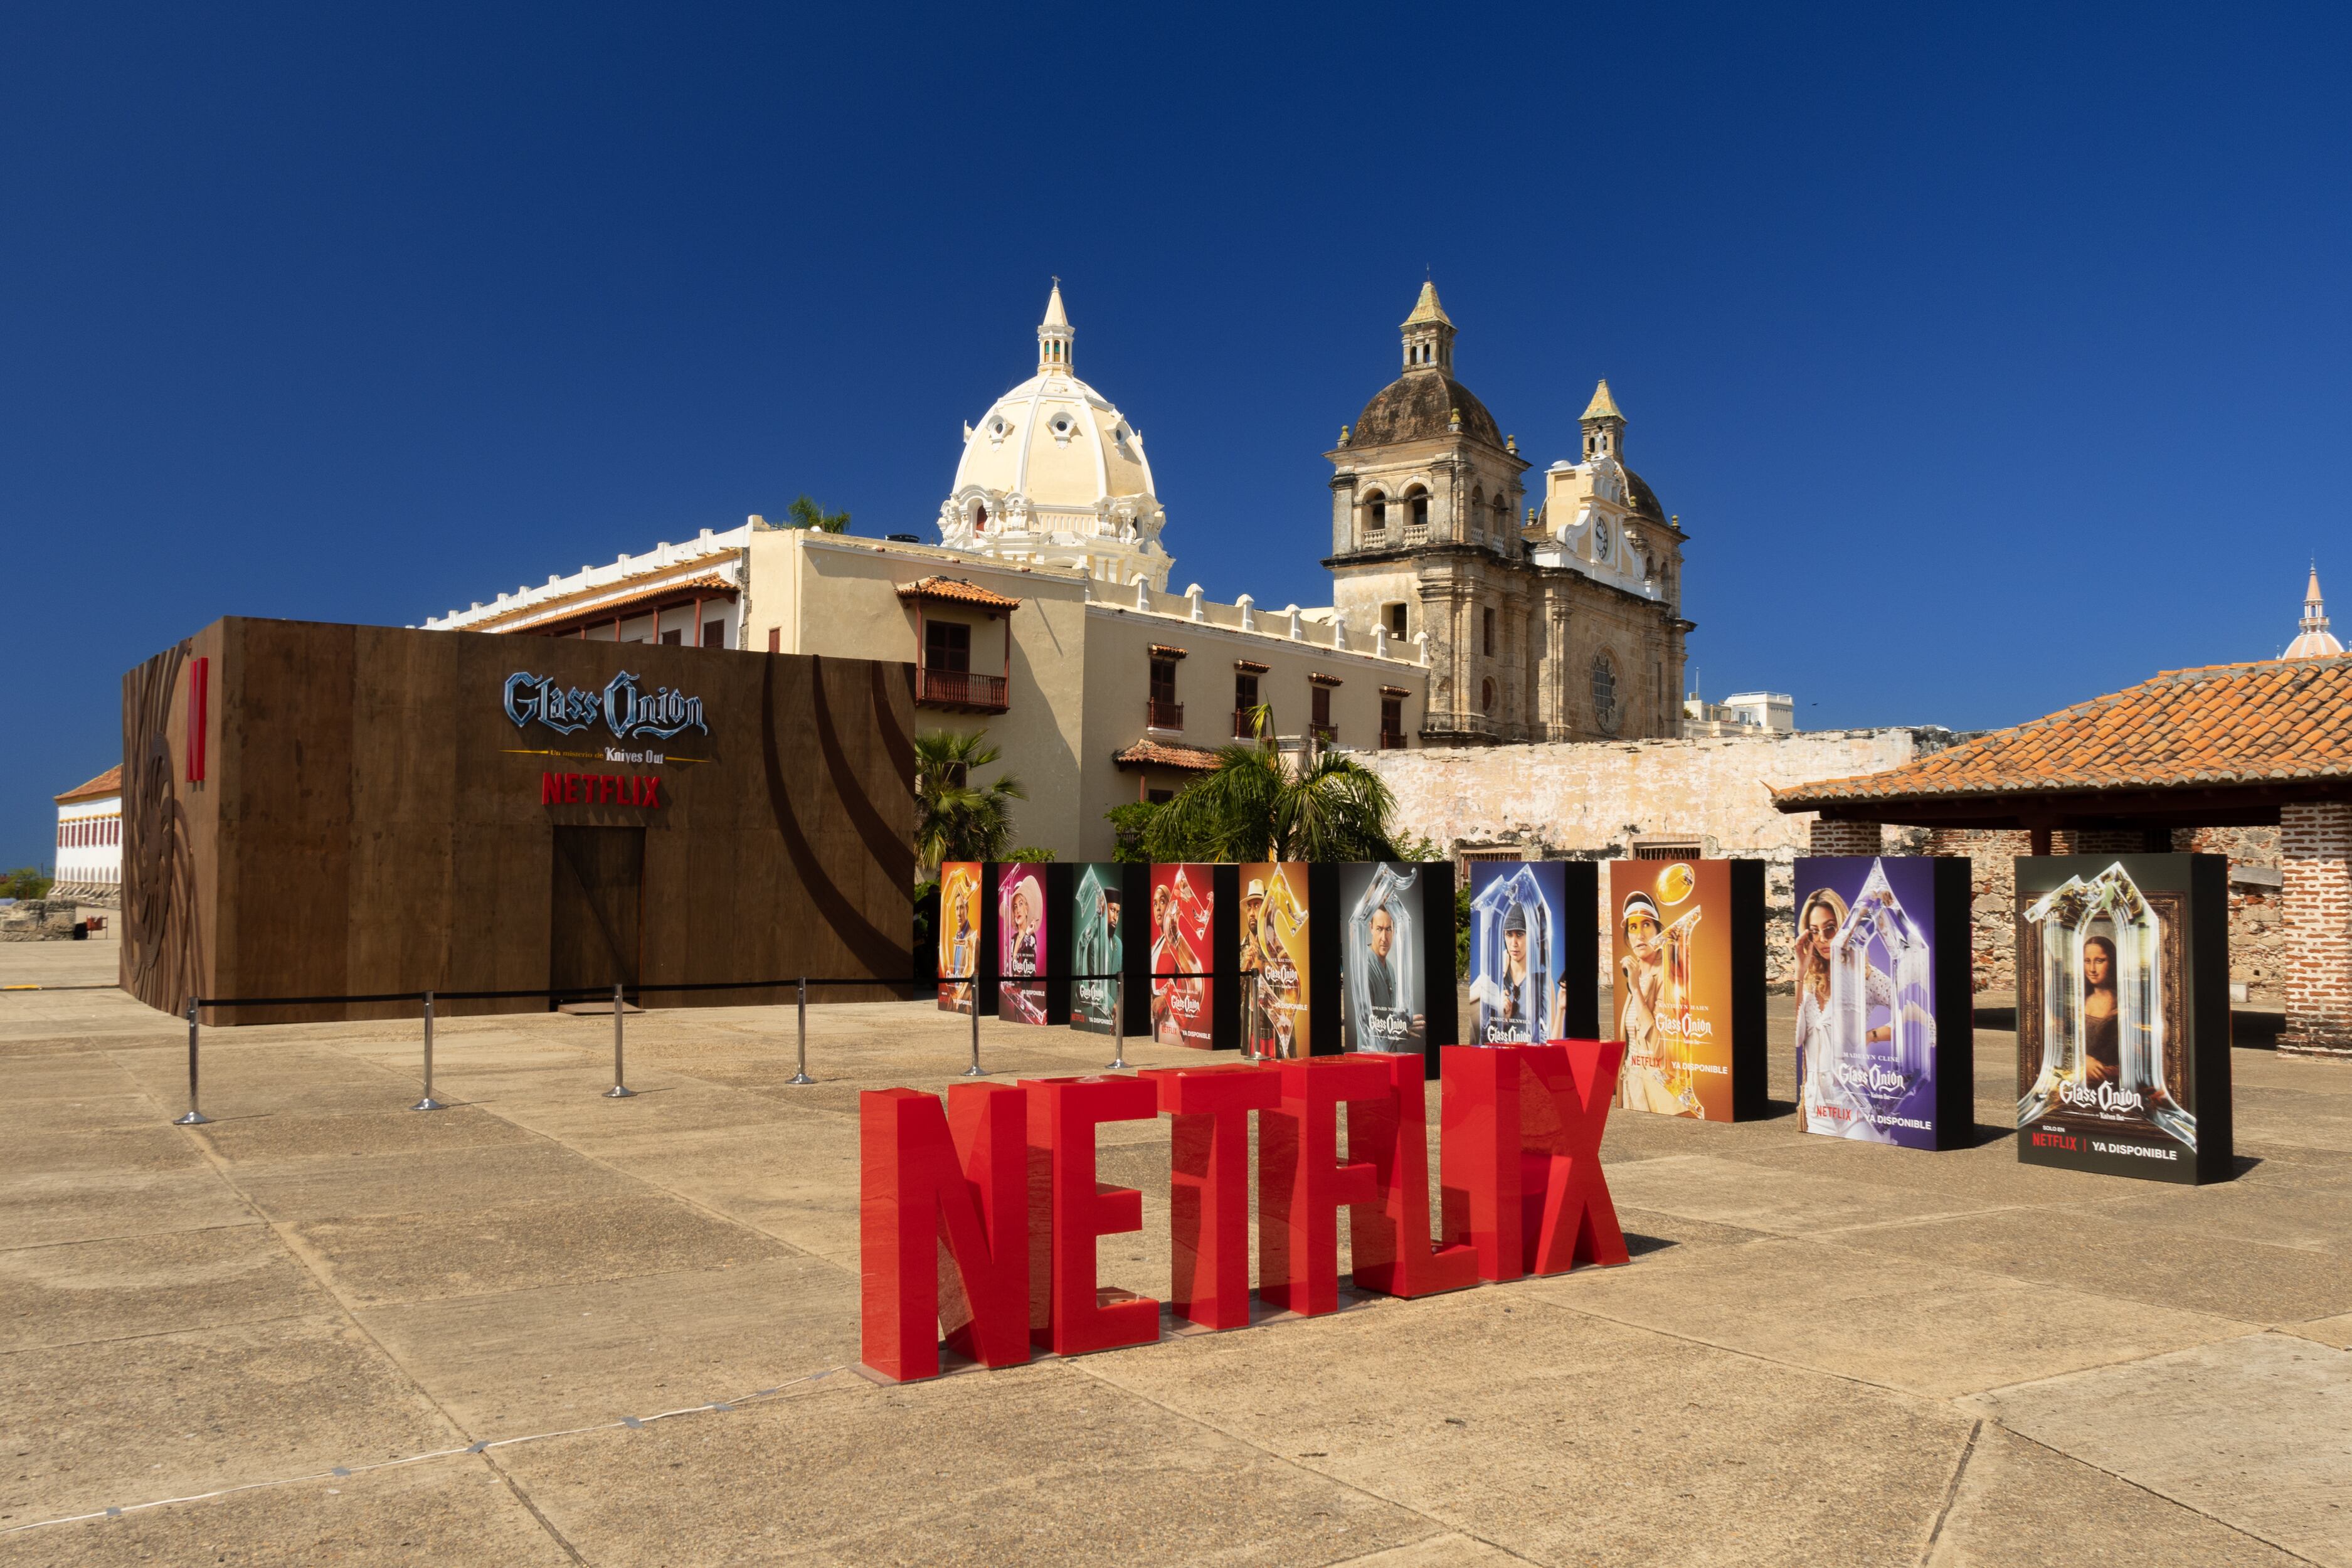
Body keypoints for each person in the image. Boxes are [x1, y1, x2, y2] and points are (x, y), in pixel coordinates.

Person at [1617, 889, 1685, 1115]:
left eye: (1646, 925)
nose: (1640, 935)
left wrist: (1636, 988)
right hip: (1631, 1086)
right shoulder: (1636, 972)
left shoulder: (1668, 974)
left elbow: (1661, 1048)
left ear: (1658, 930)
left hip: (1658, 1094)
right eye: (1633, 927)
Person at [2081, 935, 2120, 1088]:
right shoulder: (2078, 1000)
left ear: (2111, 962)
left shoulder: (2121, 1006)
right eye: (2087, 961)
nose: (2092, 969)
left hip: (2109, 1086)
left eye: (2099, 961)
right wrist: (2082, 1060)